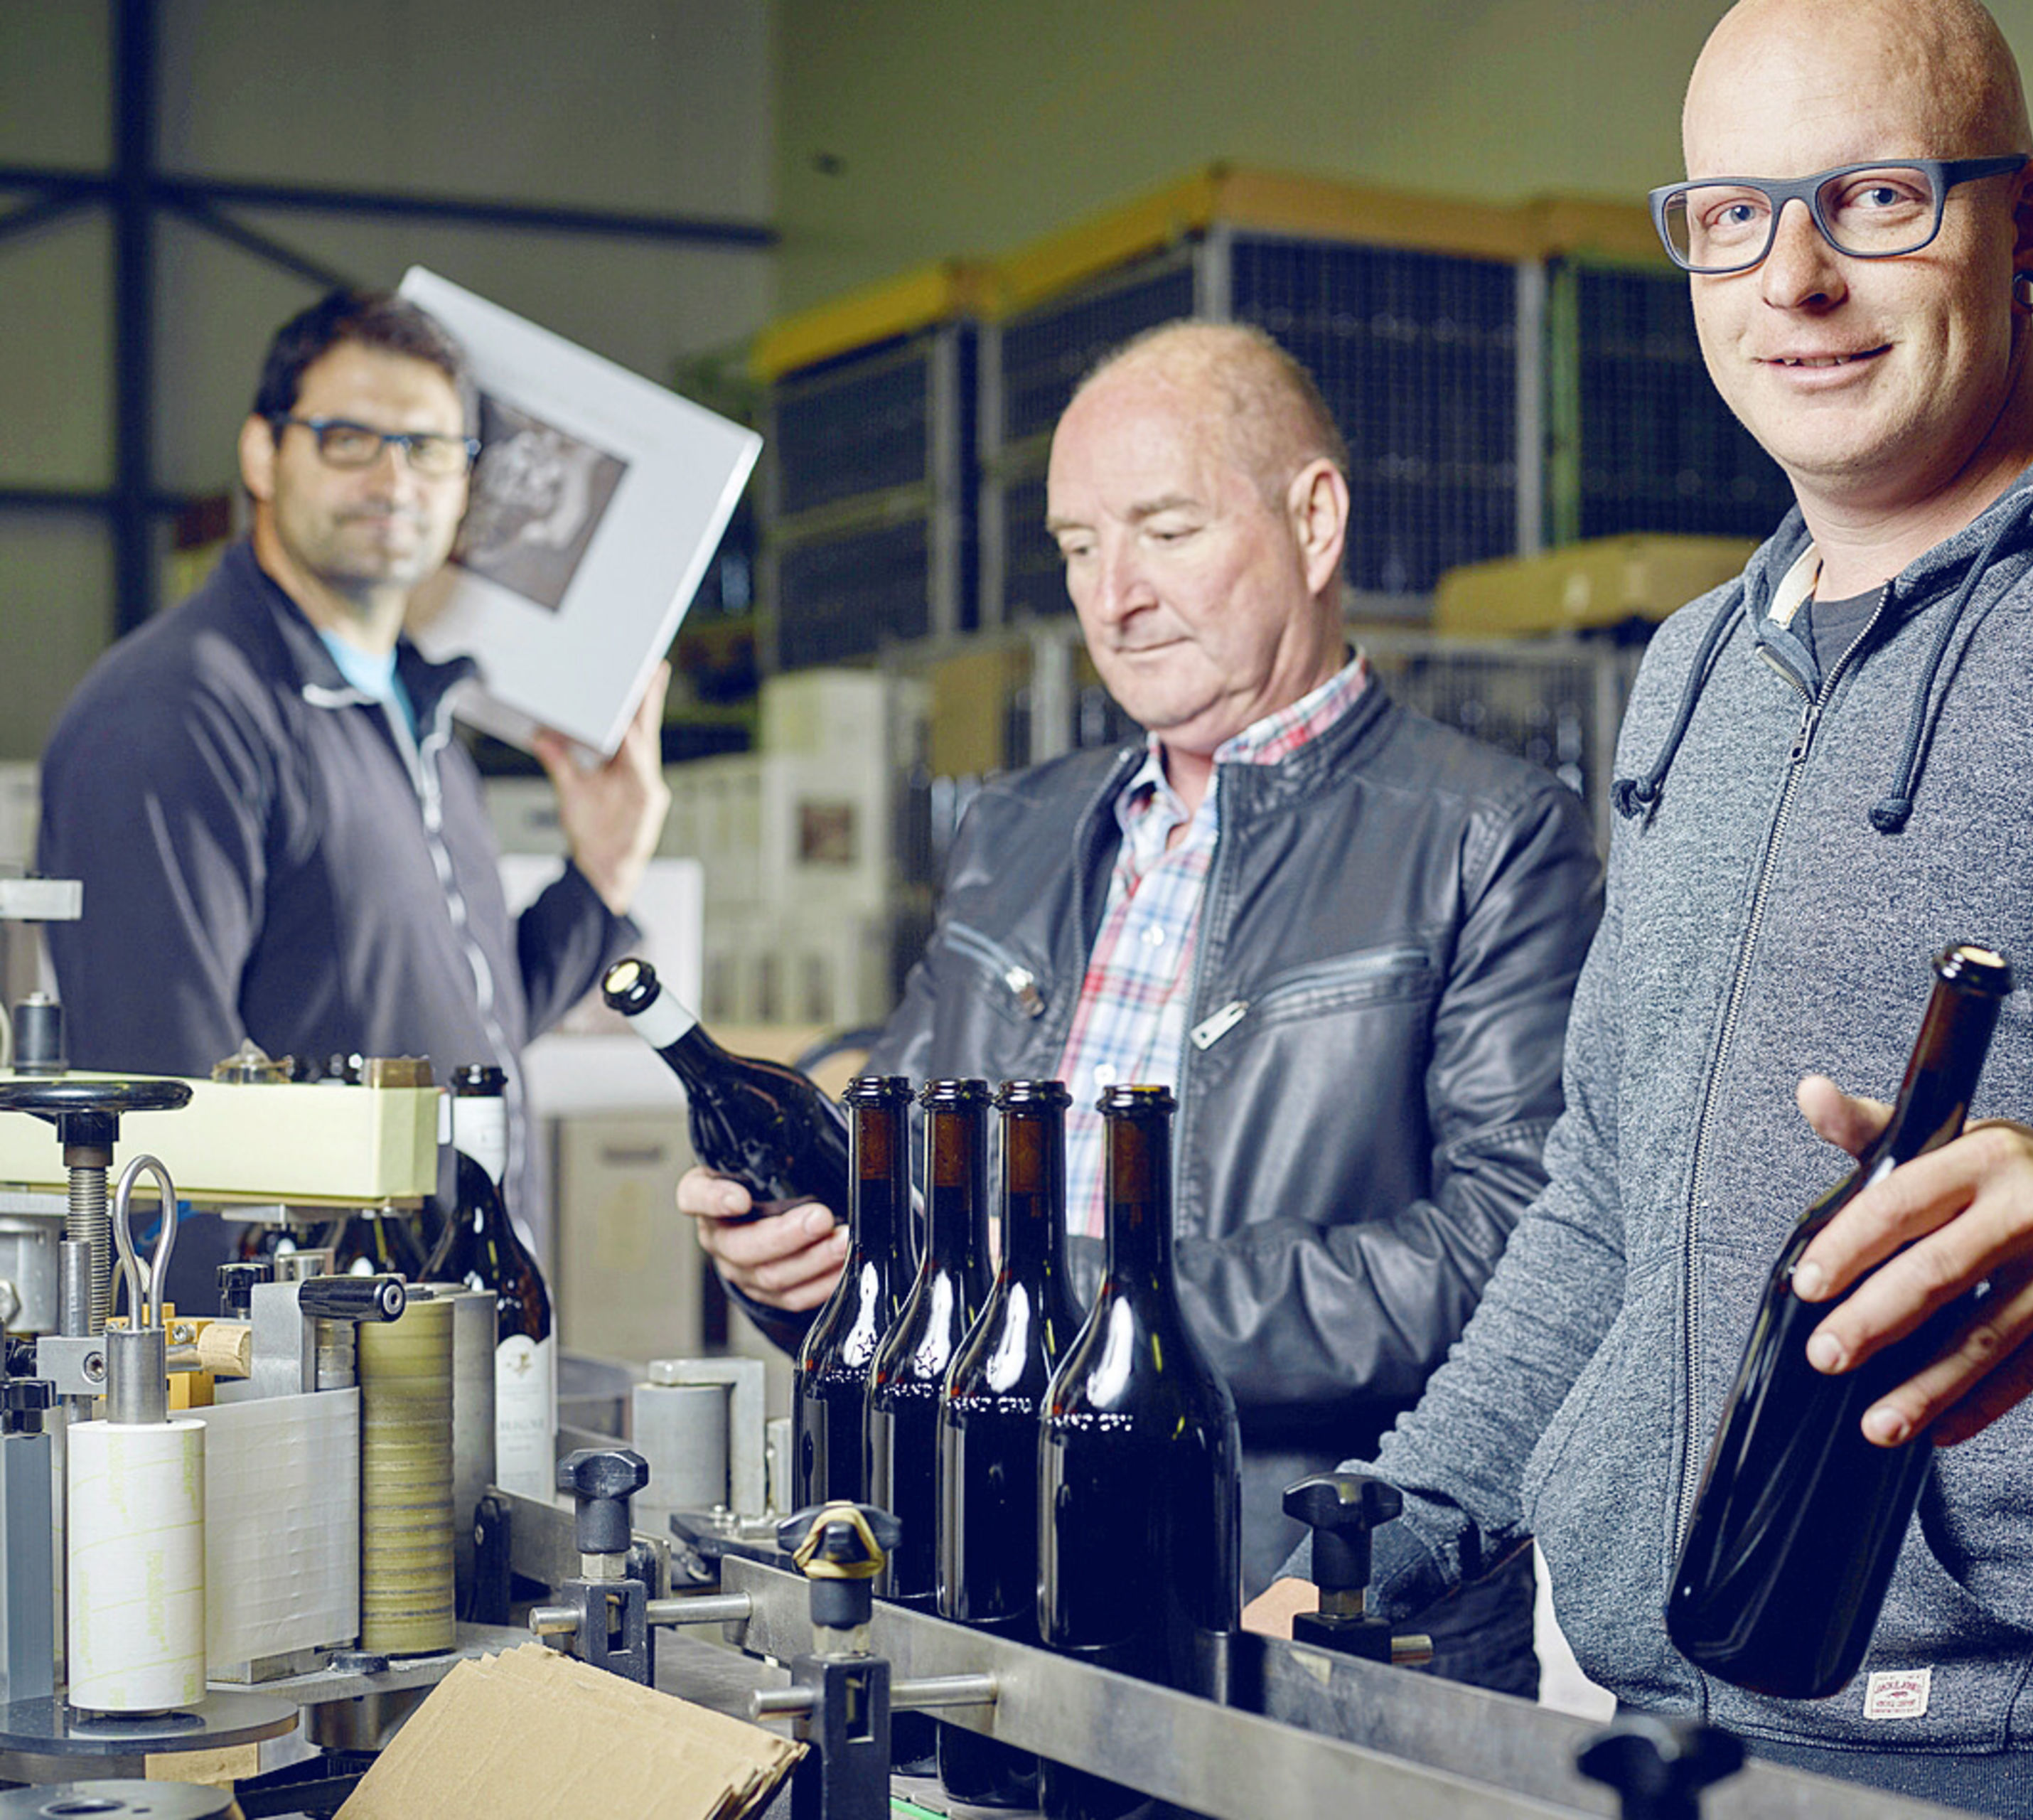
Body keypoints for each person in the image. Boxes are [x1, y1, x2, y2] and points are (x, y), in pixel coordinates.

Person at [1244, 2, 2033, 1814]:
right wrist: (1395, 1531)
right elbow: (1611, 1203)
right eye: (1735, 216)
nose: (1798, 278)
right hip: (1663, 1732)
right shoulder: (1699, 665)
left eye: (1880, 199)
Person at [680, 320, 1604, 1693]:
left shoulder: (1489, 838)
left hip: (1305, 1593)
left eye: (1165, 532)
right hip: (993, 1585)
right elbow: (919, 1220)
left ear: (1315, 519)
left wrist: (1109, 1319)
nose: (1113, 597)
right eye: (1077, 548)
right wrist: (805, 1265)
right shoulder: (1018, 829)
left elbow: (1510, 1253)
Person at [39, 289, 670, 1248]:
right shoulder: (175, 710)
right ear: (262, 453)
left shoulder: (411, 714)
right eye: (348, 439)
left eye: (429, 448)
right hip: (313, 1358)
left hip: (454, 1326)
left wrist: (602, 874)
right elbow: (158, 1110)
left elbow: (462, 1025)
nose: (394, 479)